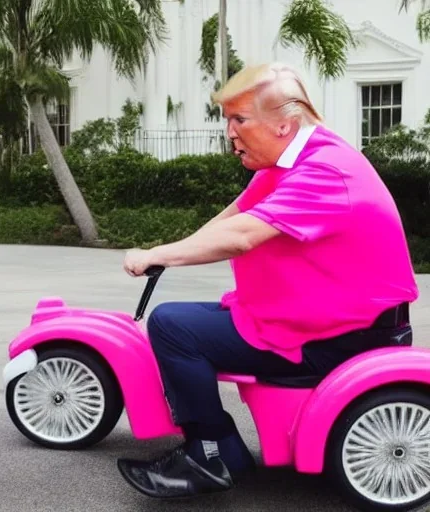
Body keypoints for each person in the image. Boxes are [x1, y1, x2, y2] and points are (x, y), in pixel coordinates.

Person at [115, 63, 419, 499]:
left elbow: (241, 237)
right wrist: (166, 252)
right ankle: (219, 448)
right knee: (186, 319)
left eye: (240, 120)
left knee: (172, 326)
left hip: (342, 337)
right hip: (320, 320)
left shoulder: (325, 172)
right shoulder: (287, 164)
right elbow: (230, 220)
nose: (230, 133)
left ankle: (211, 454)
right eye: (228, 121)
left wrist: (156, 255)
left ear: (283, 122)